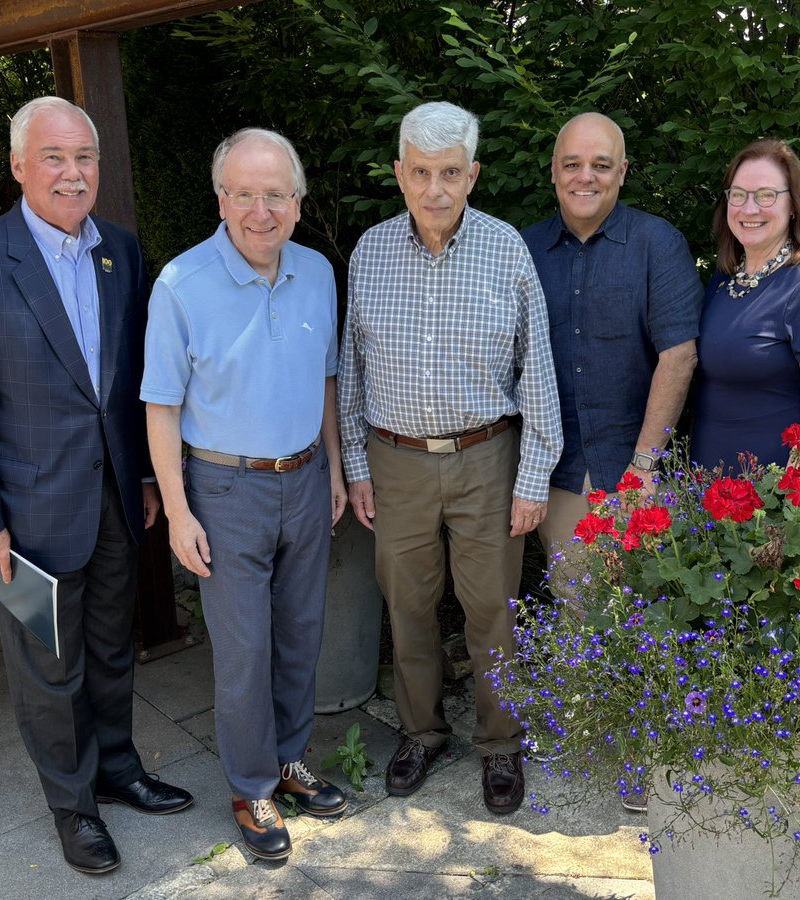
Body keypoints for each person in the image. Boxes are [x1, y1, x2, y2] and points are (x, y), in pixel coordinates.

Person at [0, 96, 192, 876]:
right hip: (25, 517)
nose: (73, 174)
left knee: (111, 647)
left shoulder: (122, 253)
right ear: (17, 166)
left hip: (113, 498)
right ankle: (72, 808)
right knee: (47, 667)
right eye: (54, 158)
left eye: (85, 158)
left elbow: (133, 378)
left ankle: (118, 768)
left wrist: (142, 472)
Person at [337, 101, 563, 815]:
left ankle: (500, 745)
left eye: (451, 173)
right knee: (407, 609)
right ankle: (422, 733)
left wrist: (532, 477)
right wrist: (356, 463)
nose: (435, 189)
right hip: (395, 459)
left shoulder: (506, 250)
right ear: (400, 174)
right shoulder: (370, 251)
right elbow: (352, 369)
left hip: (485, 459)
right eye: (421, 173)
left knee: (491, 610)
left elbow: (540, 373)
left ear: (473, 175)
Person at [143, 128, 347, 861]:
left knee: (300, 636)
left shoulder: (318, 271)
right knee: (242, 650)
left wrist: (335, 467)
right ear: (221, 199)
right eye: (244, 194)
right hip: (225, 488)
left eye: (276, 195)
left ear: (297, 202)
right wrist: (177, 509)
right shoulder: (180, 284)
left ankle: (290, 763)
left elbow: (326, 377)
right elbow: (160, 405)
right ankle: (251, 784)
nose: (261, 211)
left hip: (304, 480)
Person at [521, 112, 702, 553]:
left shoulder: (657, 244)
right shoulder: (522, 250)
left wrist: (643, 465)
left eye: (601, 165)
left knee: (641, 615)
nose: (586, 177)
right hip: (552, 474)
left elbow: (679, 357)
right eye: (572, 164)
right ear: (553, 171)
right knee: (579, 611)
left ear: (622, 172)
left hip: (634, 471)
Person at [691, 138, 800, 473]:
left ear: (793, 204)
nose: (749, 208)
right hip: (712, 499)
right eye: (738, 195)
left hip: (777, 502)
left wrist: (788, 505)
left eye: (766, 195)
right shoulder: (724, 283)